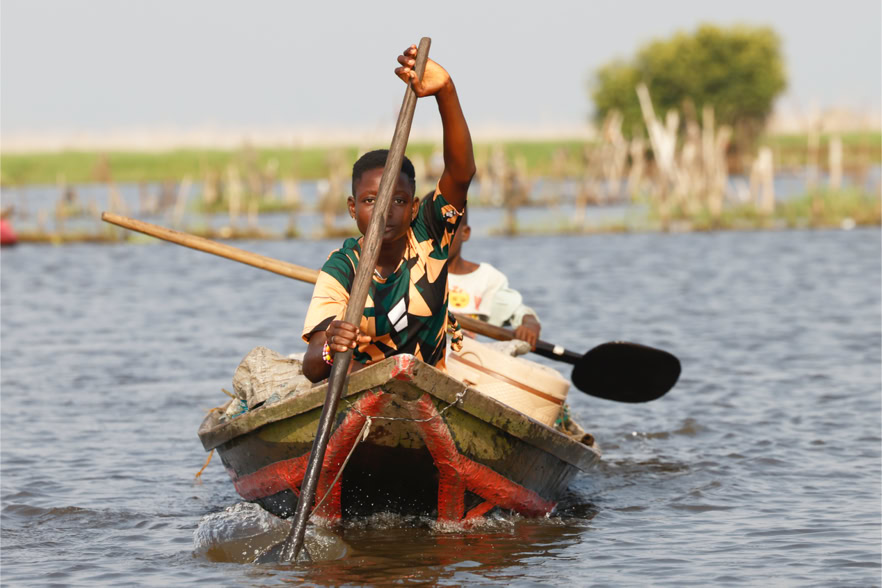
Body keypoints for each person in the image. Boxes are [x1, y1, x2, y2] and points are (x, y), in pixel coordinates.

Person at [301, 43, 475, 383]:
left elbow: (461, 173)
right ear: (352, 208)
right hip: (363, 385)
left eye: (397, 201)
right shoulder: (342, 268)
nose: (383, 213)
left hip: (428, 387)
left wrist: (446, 92)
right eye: (370, 201)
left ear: (414, 207)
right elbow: (312, 367)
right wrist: (331, 343)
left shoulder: (429, 234)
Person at [446, 207, 541, 349]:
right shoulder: (413, 274)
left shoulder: (485, 279)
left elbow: (519, 313)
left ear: (465, 233)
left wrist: (529, 325)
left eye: (447, 229)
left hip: (463, 356)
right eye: (430, 229)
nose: (437, 237)